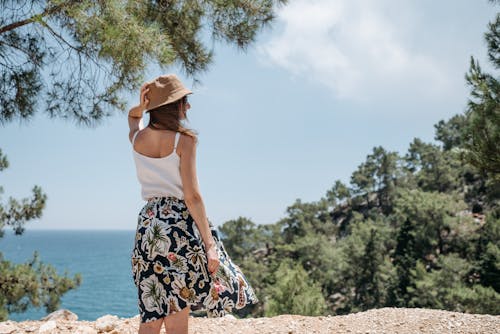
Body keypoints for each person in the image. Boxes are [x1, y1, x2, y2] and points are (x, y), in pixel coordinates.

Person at [128, 74, 258, 334]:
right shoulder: (184, 140)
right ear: (172, 106)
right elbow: (192, 196)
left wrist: (141, 107)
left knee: (151, 309)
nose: (187, 107)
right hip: (178, 225)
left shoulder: (138, 139)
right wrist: (210, 244)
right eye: (183, 102)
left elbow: (132, 118)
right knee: (177, 308)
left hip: (148, 224)